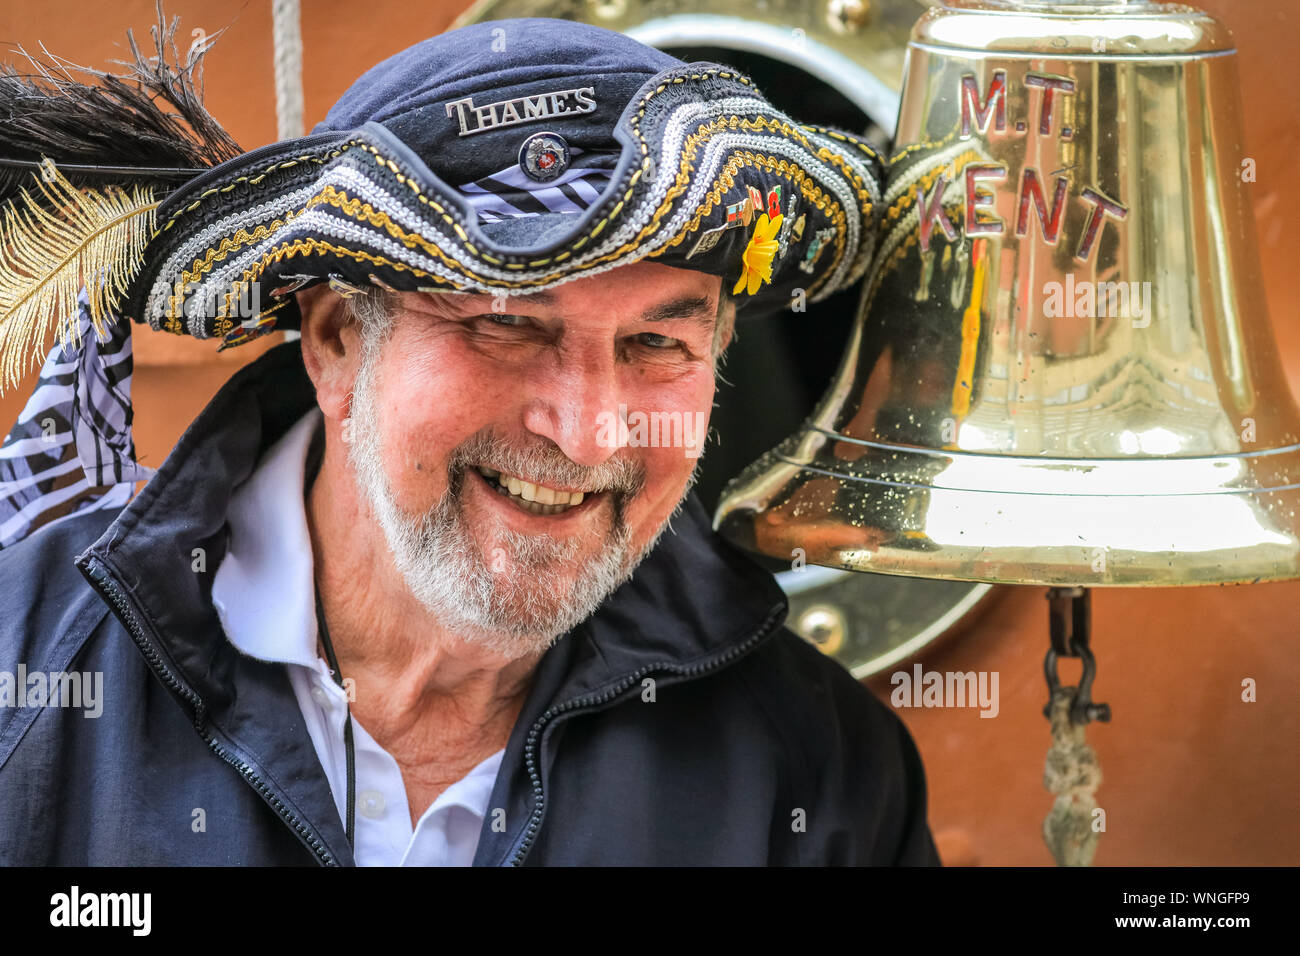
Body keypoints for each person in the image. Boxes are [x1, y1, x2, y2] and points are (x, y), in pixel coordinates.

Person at [0, 15, 940, 865]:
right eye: (507, 327)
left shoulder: (821, 776)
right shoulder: (30, 674)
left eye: (658, 342)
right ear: (336, 341)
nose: (587, 433)